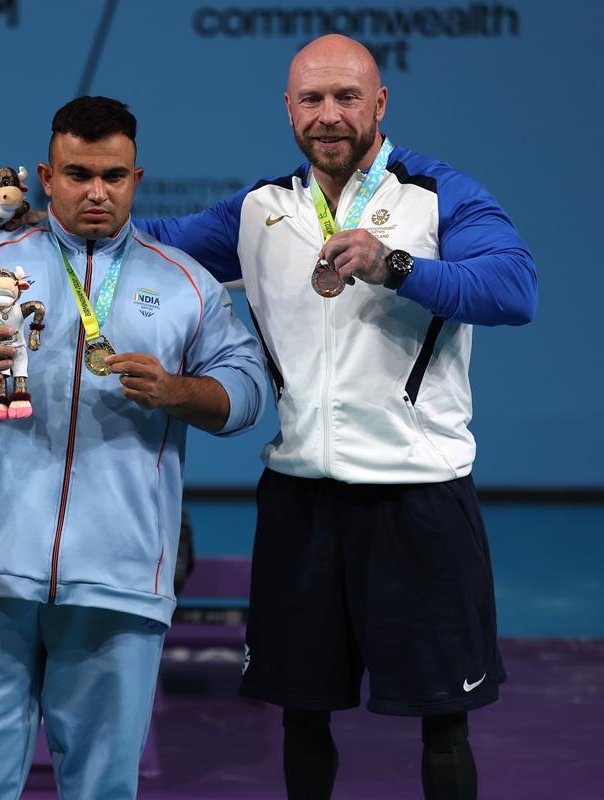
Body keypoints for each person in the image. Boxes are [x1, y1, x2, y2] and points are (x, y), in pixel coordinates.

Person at [136, 34, 538, 800]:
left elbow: (514, 289)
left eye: (347, 97)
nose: (329, 116)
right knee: (301, 714)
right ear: (287, 109)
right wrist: (16, 245)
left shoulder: (437, 194)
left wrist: (395, 264)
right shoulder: (260, 210)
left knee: (444, 718)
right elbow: (145, 247)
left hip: (420, 497)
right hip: (300, 501)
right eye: (312, 100)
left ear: (379, 104)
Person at [0, 96, 269, 799]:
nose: (97, 191)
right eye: (78, 173)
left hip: (119, 579)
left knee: (100, 790)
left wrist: (177, 390)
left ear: (137, 177)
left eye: (114, 176)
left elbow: (246, 392)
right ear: (45, 175)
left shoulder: (185, 282)